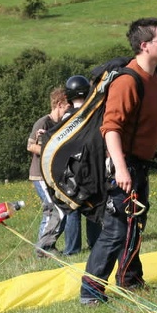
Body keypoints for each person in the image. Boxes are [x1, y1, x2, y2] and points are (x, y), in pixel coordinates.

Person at [79, 17, 157, 305]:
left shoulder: (156, 77)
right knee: (115, 229)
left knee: (134, 224)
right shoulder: (128, 80)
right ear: (144, 45)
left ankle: (130, 281)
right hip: (120, 166)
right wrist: (122, 169)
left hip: (140, 166)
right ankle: (90, 292)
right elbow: (110, 128)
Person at [27, 87, 71, 255]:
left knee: (53, 209)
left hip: (54, 174)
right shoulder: (43, 122)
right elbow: (30, 145)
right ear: (59, 104)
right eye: (68, 106)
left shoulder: (62, 124)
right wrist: (51, 150)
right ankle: (44, 248)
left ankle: (45, 247)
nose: (70, 109)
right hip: (40, 174)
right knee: (54, 208)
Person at [62, 75, 101, 255]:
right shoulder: (92, 113)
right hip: (91, 167)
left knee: (73, 208)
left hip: (71, 168)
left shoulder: (66, 118)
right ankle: (96, 243)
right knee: (93, 205)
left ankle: (72, 249)